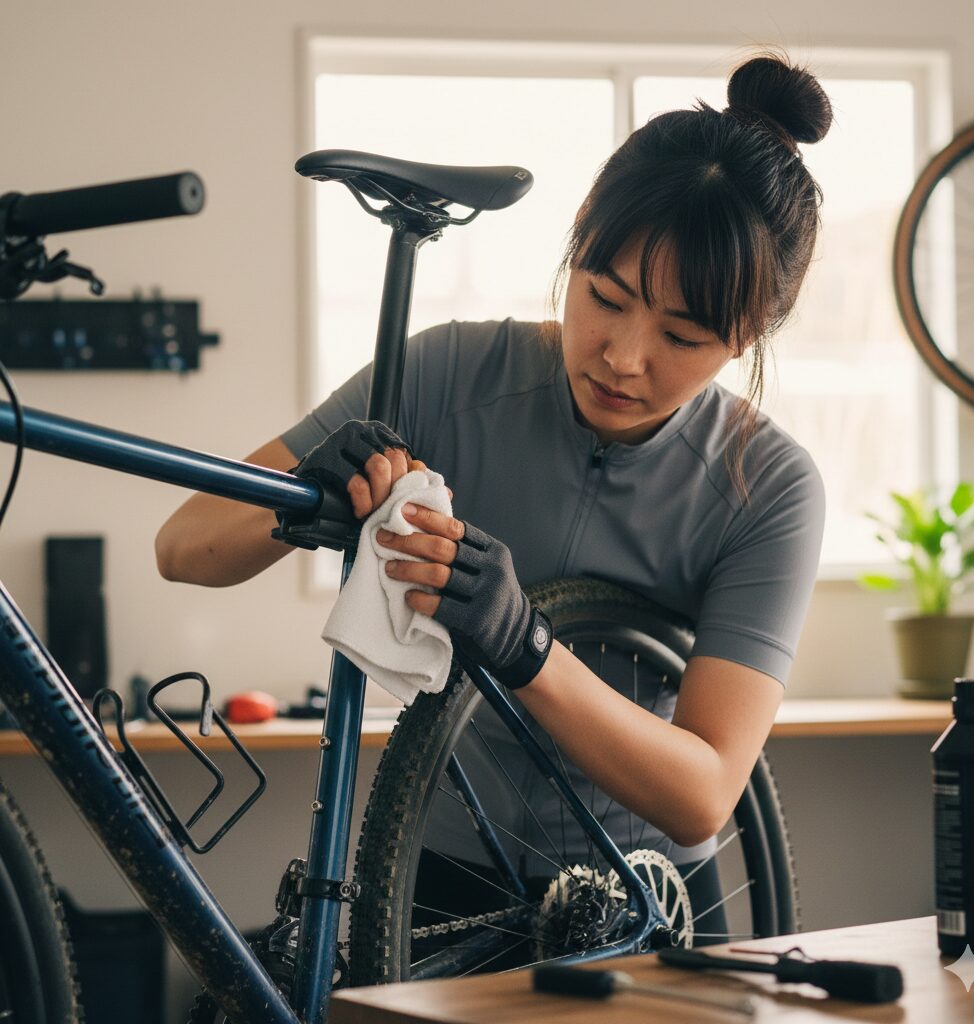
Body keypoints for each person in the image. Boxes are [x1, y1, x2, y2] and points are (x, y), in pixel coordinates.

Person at [155, 51, 832, 949]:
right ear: (577, 240)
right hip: (440, 870)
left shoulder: (770, 487)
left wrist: (523, 645)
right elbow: (184, 545)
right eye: (605, 297)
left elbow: (705, 792)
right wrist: (311, 490)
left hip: (647, 894)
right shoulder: (450, 371)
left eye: (683, 336)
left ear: (748, 337)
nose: (624, 357)